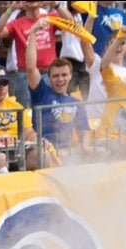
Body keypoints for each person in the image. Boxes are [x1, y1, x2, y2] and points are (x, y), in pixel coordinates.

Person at [24, 15, 92, 156]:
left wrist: (83, 148)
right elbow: (30, 68)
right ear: (49, 78)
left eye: (64, 75)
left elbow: (84, 134)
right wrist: (33, 33)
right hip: (43, 151)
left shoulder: (76, 103)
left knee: (100, 152)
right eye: (55, 76)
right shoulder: (41, 92)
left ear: (71, 76)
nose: (60, 79)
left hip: (69, 154)